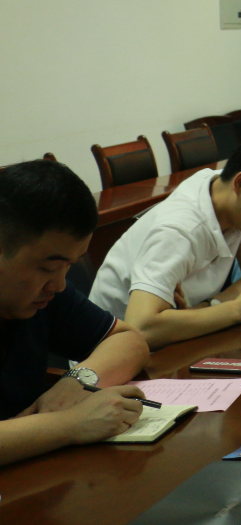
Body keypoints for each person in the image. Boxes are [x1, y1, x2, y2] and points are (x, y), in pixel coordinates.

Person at [91, 130, 241, 350]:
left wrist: (210, 307)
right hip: (109, 352)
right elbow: (141, 328)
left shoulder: (229, 195)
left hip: (172, 337)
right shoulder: (178, 230)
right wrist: (238, 310)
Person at [0, 160, 150, 464]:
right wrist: (71, 424)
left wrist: (77, 380)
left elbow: (128, 341)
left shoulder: (43, 295)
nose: (59, 285)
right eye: (49, 268)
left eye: (70, 265)